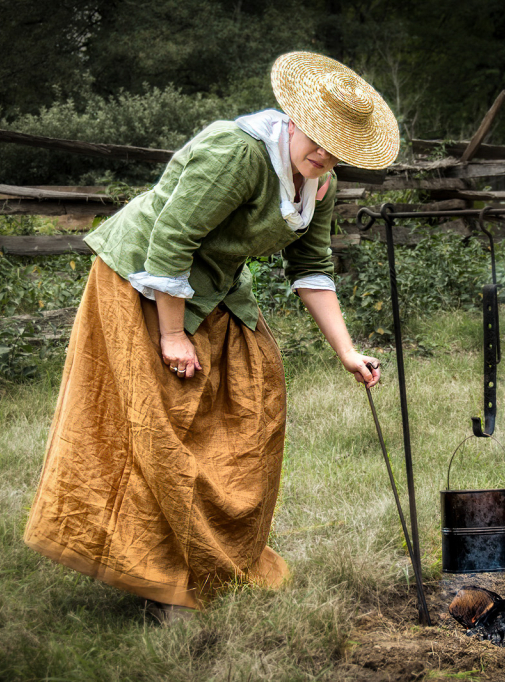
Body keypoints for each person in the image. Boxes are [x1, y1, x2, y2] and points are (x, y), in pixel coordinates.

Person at [23, 52, 399, 624]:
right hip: (143, 279)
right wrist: (172, 336)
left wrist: (346, 351)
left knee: (256, 403)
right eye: (317, 140)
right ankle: (163, 584)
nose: (322, 155)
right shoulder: (238, 153)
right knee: (161, 425)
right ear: (294, 118)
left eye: (336, 150)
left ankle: (218, 558)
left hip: (214, 284)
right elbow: (171, 240)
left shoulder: (321, 181)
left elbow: (312, 266)